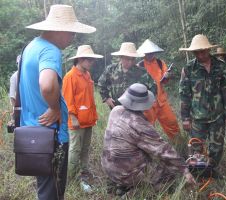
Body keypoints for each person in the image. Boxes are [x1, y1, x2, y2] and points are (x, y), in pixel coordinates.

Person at [19, 5, 96, 200]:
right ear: (59, 30)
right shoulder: (50, 50)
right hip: (52, 135)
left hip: (33, 132)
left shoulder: (31, 47)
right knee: (52, 191)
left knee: (44, 187)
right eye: (71, 33)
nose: (72, 38)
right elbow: (46, 85)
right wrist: (54, 108)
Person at [101, 83, 196, 196]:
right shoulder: (140, 124)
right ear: (143, 104)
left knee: (145, 160)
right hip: (125, 173)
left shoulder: (115, 110)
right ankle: (135, 193)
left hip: (108, 166)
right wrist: (185, 170)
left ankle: (122, 186)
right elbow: (163, 150)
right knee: (170, 174)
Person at [179, 34, 226, 175]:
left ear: (208, 50)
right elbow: (184, 95)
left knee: (217, 147)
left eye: (202, 51)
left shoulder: (222, 67)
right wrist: (185, 118)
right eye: (196, 52)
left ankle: (212, 171)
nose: (200, 54)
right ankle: (199, 173)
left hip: (217, 116)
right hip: (197, 117)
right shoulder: (188, 69)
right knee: (196, 147)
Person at [62, 45, 102, 191]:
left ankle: (84, 173)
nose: (91, 62)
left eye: (92, 59)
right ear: (80, 59)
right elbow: (68, 100)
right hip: (76, 122)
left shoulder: (87, 75)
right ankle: (71, 179)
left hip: (88, 120)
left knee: (85, 149)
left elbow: (89, 98)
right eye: (89, 59)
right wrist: (73, 117)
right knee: (75, 150)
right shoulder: (70, 77)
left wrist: (93, 116)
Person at [137, 39, 180, 140]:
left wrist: (167, 75)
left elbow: (165, 81)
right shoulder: (139, 66)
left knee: (172, 122)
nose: (150, 54)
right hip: (147, 103)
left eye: (152, 52)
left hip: (161, 101)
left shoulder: (160, 63)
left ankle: (179, 145)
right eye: (148, 53)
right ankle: (150, 150)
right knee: (148, 129)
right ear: (144, 53)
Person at [98, 42, 155, 109]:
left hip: (137, 110)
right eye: (127, 59)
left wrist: (145, 102)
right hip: (117, 108)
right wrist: (106, 98)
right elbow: (101, 84)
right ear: (121, 57)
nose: (130, 62)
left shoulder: (142, 72)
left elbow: (153, 88)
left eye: (133, 59)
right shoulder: (111, 70)